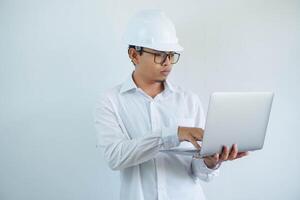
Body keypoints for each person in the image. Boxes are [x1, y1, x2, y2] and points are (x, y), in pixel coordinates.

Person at [94, 9, 248, 200]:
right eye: (159, 54)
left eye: (171, 55)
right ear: (134, 55)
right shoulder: (111, 101)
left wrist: (210, 161)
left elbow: (199, 172)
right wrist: (173, 133)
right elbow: (115, 157)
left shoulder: (188, 100)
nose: (167, 63)